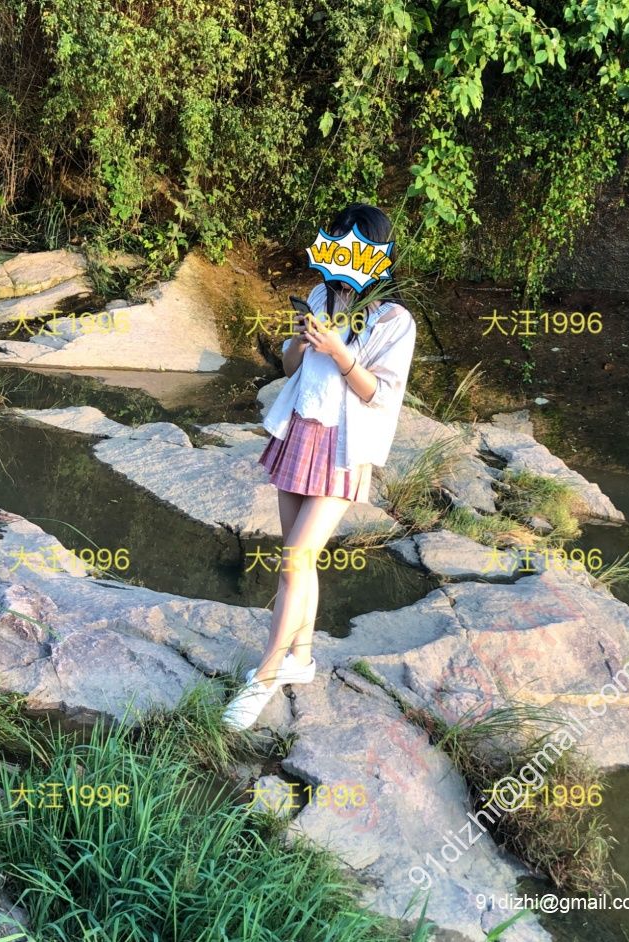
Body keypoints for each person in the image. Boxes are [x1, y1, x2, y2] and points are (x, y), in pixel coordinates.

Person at [222, 202, 416, 730]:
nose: (341, 251)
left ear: (377, 253)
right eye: (335, 239)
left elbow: (380, 394)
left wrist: (338, 350)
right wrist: (299, 340)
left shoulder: (394, 320)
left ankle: (263, 678)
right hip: (300, 432)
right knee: (298, 560)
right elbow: (291, 368)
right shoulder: (319, 295)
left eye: (351, 242)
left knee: (294, 559)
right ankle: (301, 658)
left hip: (343, 447)